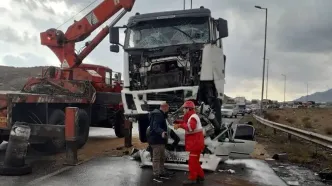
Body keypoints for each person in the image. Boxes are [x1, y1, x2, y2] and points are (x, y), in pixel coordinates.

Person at [173, 100, 205, 184]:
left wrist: (179, 125)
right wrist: (178, 122)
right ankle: (200, 176)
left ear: (188, 109)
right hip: (197, 143)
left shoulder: (193, 117)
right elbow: (187, 123)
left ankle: (192, 179)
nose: (183, 110)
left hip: (195, 143)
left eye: (184, 109)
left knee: (192, 162)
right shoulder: (192, 116)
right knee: (195, 161)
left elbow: (190, 127)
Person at [147, 102, 173, 182]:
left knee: (162, 157)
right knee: (157, 158)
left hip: (159, 140)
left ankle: (161, 172)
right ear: (165, 107)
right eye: (168, 109)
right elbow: (155, 126)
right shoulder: (158, 114)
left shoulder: (160, 114)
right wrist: (161, 132)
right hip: (156, 140)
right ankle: (156, 174)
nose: (168, 110)